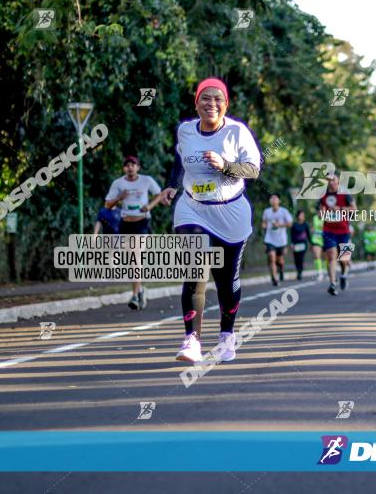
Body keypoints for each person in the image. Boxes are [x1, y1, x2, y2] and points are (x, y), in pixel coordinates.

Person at [155, 77, 261, 363]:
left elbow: (253, 170)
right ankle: (191, 339)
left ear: (225, 104)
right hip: (193, 207)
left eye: (217, 99)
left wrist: (225, 166)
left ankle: (227, 335)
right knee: (195, 269)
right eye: (206, 97)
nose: (211, 103)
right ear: (196, 102)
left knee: (226, 281)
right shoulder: (186, 130)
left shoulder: (237, 132)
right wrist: (172, 185)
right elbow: (180, 160)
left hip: (231, 211)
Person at [104, 156, 162, 310]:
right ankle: (140, 290)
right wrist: (119, 198)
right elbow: (107, 205)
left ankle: (135, 296)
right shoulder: (118, 183)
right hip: (125, 224)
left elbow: (160, 194)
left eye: (133, 165)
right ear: (124, 168)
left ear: (138, 167)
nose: (130, 167)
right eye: (127, 165)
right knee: (131, 261)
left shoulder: (146, 180)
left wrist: (150, 206)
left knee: (136, 257)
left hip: (141, 223)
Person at [319, 173, 356, 296]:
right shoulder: (323, 195)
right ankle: (332, 283)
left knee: (344, 259)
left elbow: (354, 209)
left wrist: (340, 209)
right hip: (329, 229)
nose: (331, 182)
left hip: (344, 230)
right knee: (331, 254)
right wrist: (322, 213)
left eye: (333, 180)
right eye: (328, 180)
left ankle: (344, 275)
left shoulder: (345, 194)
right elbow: (320, 213)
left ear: (338, 181)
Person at [262, 194, 292, 286]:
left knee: (280, 260)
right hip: (269, 239)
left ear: (279, 201)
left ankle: (281, 269)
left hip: (281, 240)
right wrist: (264, 226)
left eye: (275, 198)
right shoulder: (267, 211)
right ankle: (275, 278)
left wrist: (280, 225)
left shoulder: (284, 211)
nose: (273, 200)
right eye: (272, 198)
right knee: (271, 257)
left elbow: (290, 223)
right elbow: (264, 223)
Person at [290, 209, 311, 280]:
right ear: (298, 216)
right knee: (296, 259)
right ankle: (298, 271)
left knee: (301, 258)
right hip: (296, 243)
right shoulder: (294, 225)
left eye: (303, 215)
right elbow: (291, 235)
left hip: (303, 244)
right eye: (300, 215)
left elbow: (308, 235)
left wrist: (311, 243)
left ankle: (300, 273)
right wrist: (291, 243)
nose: (302, 216)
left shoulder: (305, 224)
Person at [310, 212, 325, 281]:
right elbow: (312, 227)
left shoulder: (328, 218)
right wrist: (312, 229)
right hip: (316, 239)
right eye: (319, 210)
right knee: (317, 256)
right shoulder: (314, 218)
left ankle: (325, 271)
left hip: (325, 240)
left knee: (326, 257)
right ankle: (320, 273)